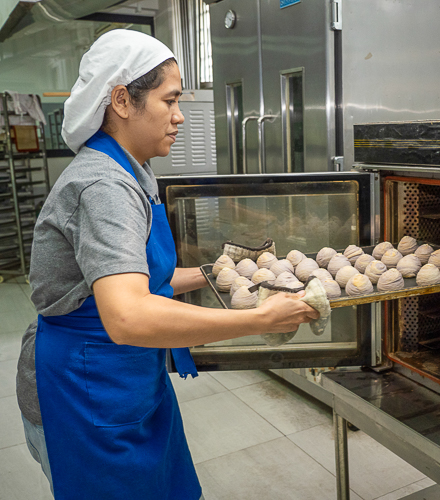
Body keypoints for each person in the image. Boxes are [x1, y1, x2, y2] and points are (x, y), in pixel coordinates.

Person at [15, 29, 318, 500]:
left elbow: (140, 279)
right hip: (86, 389)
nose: (179, 117)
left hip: (127, 377)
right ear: (121, 100)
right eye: (170, 100)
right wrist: (257, 319)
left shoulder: (132, 170)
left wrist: (216, 272)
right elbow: (128, 313)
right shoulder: (104, 187)